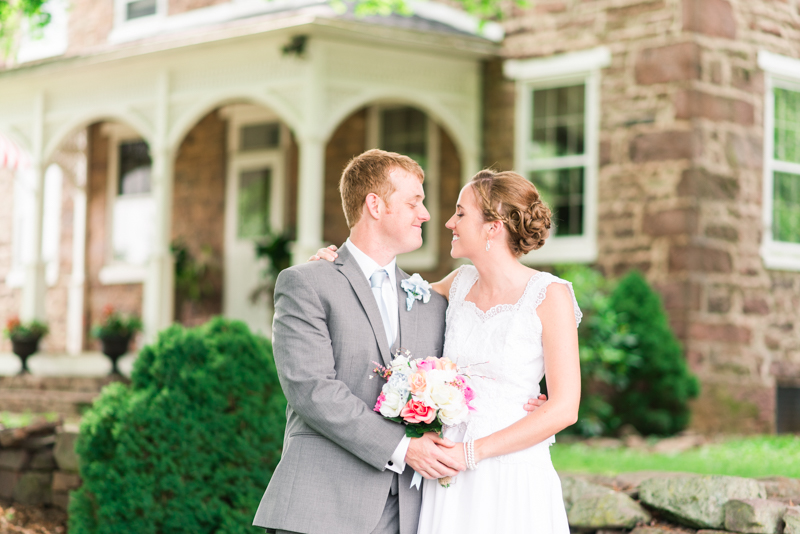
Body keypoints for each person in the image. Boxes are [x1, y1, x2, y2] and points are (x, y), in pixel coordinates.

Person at [252, 150, 545, 534]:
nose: (426, 215)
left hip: (410, 514)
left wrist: (522, 401)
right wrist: (403, 447)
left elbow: (468, 370)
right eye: (414, 202)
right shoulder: (308, 282)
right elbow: (310, 389)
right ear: (375, 205)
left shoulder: (430, 299)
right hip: (322, 508)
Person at [313, 169, 582, 533]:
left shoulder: (550, 295)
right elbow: (390, 295)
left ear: (493, 226)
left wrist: (472, 452)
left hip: (511, 467)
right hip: (447, 466)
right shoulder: (458, 283)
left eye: (460, 213)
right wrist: (339, 269)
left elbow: (565, 408)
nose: (448, 222)